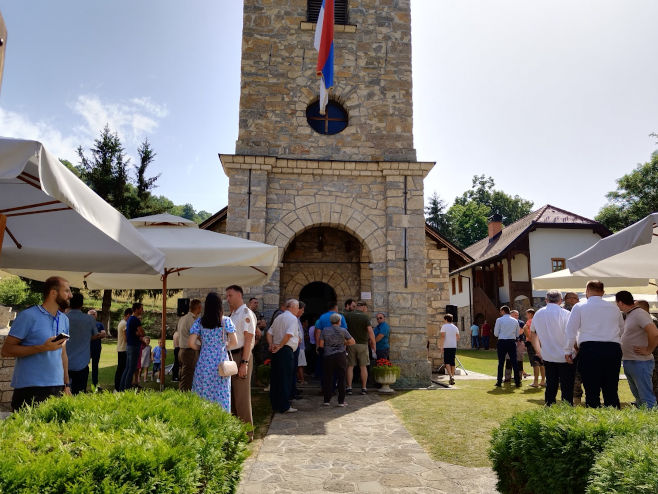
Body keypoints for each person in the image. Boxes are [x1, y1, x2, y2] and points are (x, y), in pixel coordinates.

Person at [1, 276, 72, 411]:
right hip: (30, 388)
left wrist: (66, 384)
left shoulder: (64, 320)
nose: (71, 295)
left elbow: (63, 353)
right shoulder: (28, 316)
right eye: (67, 291)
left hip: (57, 387)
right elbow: (6, 350)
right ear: (53, 293)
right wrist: (43, 348)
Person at [564, 280, 624, 408]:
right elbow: (622, 329)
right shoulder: (614, 308)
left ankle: (595, 422)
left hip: (590, 349)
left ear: (587, 291)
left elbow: (571, 330)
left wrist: (568, 350)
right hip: (612, 348)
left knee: (591, 389)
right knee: (611, 389)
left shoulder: (580, 306)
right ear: (603, 292)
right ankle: (614, 423)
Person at [188, 292, 238, 412]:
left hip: (204, 363)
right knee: (221, 393)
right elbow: (234, 342)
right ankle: (221, 421)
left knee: (202, 392)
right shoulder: (226, 321)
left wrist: (202, 348)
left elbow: (191, 343)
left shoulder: (200, 322)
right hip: (221, 363)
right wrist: (225, 346)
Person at [530, 290, 574, 405]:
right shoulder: (565, 314)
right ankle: (567, 410)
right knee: (566, 386)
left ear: (546, 300)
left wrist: (538, 351)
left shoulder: (538, 313)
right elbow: (572, 335)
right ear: (560, 300)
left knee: (551, 385)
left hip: (548, 355)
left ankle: (549, 407)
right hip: (565, 355)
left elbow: (533, 334)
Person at [615, 291, 658, 408]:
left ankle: (651, 423)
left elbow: (654, 333)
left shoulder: (640, 313)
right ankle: (643, 421)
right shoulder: (630, 314)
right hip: (631, 360)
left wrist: (648, 350)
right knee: (639, 396)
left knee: (646, 396)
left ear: (620, 302)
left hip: (640, 362)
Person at [226, 285, 257, 438]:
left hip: (240, 357)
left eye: (230, 295)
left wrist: (244, 362)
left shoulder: (246, 313)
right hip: (231, 356)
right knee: (231, 395)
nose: (227, 298)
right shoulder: (233, 314)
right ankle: (235, 430)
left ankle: (247, 433)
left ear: (239, 295)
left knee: (241, 397)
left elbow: (249, 339)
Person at [268, 299, 300, 413]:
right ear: (292, 307)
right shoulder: (292, 318)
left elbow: (269, 333)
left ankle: (275, 404)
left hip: (276, 350)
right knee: (285, 378)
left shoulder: (278, 317)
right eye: (297, 307)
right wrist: (280, 345)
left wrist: (271, 344)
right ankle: (284, 406)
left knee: (276, 378)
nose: (298, 310)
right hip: (285, 350)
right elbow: (289, 334)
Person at [66, 293, 101, 395]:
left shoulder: (63, 318)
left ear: (69, 303)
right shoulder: (89, 319)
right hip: (82, 362)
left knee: (64, 393)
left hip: (65, 362)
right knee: (80, 393)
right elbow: (95, 335)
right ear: (82, 304)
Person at [319, 313, 355, 406]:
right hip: (340, 355)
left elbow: (321, 345)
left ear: (331, 321)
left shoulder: (325, 330)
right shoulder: (343, 330)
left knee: (328, 377)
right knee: (341, 377)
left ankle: (327, 400)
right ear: (339, 321)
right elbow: (352, 341)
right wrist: (343, 343)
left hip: (328, 355)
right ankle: (341, 401)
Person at [344, 300, 375, 395]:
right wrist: (374, 344)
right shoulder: (365, 317)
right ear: (364, 307)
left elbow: (344, 329)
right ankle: (364, 388)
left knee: (350, 366)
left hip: (350, 344)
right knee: (363, 367)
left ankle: (349, 387)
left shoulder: (347, 315)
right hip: (363, 344)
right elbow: (370, 332)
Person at [563, 292, 584, 405]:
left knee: (576, 376)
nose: (577, 300)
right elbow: (571, 331)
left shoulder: (578, 309)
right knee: (575, 377)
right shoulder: (568, 311)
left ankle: (577, 400)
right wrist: (575, 345)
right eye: (576, 298)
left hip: (575, 348)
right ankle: (577, 400)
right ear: (569, 299)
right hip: (574, 348)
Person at [119, 302, 145, 391]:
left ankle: (122, 387)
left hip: (129, 346)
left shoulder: (130, 319)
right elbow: (142, 333)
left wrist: (137, 333)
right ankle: (126, 388)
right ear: (136, 309)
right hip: (134, 346)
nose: (142, 310)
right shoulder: (135, 320)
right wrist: (138, 333)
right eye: (141, 308)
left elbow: (136, 332)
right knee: (131, 369)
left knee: (127, 368)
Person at [178, 298, 202, 392]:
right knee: (188, 376)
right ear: (199, 308)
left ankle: (183, 393)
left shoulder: (182, 318)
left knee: (184, 374)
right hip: (189, 351)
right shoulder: (191, 320)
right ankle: (184, 396)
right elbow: (197, 335)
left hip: (182, 349)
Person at [494, 306, 521, 387]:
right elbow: (517, 334)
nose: (500, 312)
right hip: (511, 342)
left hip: (502, 342)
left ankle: (499, 381)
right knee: (514, 362)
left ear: (503, 311)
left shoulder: (499, 320)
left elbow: (495, 333)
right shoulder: (515, 321)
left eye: (500, 311)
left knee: (501, 362)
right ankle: (517, 381)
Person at [524, 309, 545, 388]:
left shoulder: (530, 321)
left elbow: (525, 328)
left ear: (530, 314)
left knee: (535, 363)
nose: (526, 316)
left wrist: (529, 337)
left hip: (532, 343)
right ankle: (543, 381)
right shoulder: (540, 321)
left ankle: (535, 382)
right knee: (542, 363)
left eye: (527, 314)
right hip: (540, 343)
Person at [87, 309, 107, 389]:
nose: (92, 315)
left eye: (94, 314)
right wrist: (98, 335)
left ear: (96, 315)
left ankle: (95, 384)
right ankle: (82, 384)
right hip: (86, 348)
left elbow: (104, 334)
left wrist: (94, 335)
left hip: (97, 348)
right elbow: (86, 337)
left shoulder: (99, 324)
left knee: (95, 367)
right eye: (90, 314)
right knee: (84, 367)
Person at [439, 314, 460, 385]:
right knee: (452, 361)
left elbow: (442, 337)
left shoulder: (444, 326)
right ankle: (453, 376)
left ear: (446, 319)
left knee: (447, 362)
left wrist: (441, 346)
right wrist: (453, 340)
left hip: (446, 346)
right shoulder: (455, 327)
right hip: (453, 346)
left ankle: (450, 376)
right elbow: (458, 337)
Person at [114, 308, 132, 391]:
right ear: (128, 314)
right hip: (123, 349)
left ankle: (118, 385)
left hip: (121, 348)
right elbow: (126, 338)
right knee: (122, 369)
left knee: (121, 368)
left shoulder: (122, 322)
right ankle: (118, 386)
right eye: (131, 315)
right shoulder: (125, 324)